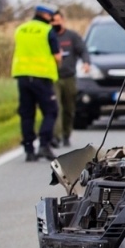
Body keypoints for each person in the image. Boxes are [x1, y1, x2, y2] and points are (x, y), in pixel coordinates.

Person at [12, 3, 60, 161]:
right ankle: (44, 144)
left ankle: (29, 150)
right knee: (51, 110)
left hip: (22, 76)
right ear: (46, 16)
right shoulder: (47, 31)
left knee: (27, 114)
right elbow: (57, 56)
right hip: (42, 77)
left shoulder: (20, 29)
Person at [50, 10, 87, 147]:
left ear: (63, 21)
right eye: (53, 21)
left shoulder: (71, 36)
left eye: (58, 21)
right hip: (54, 77)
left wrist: (86, 62)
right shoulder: (50, 36)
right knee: (56, 107)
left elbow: (82, 50)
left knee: (69, 108)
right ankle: (56, 136)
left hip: (69, 77)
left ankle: (66, 134)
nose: (55, 24)